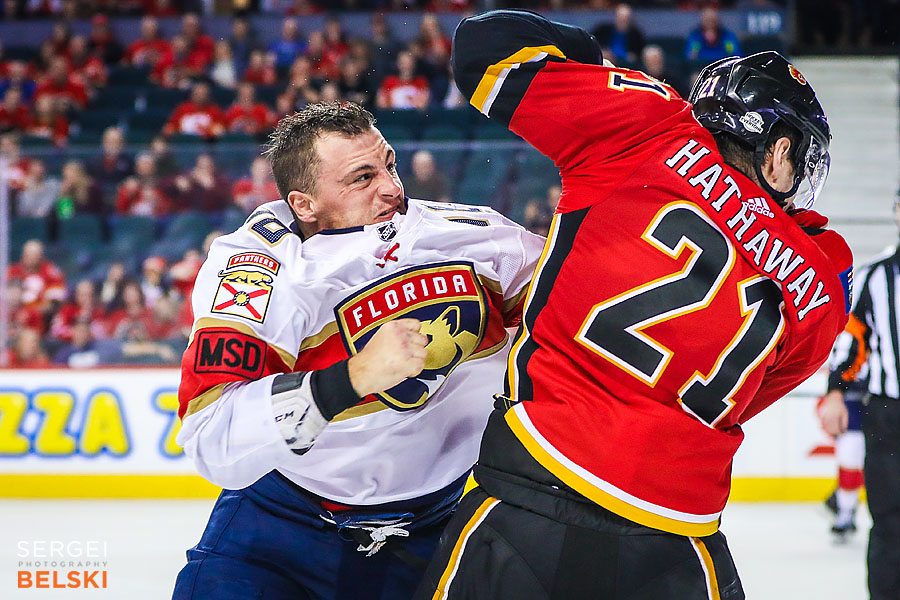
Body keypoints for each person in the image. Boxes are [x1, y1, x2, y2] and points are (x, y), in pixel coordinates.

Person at [416, 11, 851, 600]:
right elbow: (750, 394)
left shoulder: (652, 127)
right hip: (675, 538)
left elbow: (481, 49)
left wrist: (594, 64)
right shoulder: (823, 277)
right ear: (777, 151)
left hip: (530, 492)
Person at [171, 101, 544, 600]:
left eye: (389, 164)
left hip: (445, 527)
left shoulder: (476, 237)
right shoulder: (257, 270)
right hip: (281, 530)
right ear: (304, 204)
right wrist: (351, 379)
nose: (391, 187)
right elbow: (211, 434)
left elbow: (584, 311)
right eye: (361, 178)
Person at [819, 197, 900, 600]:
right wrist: (836, 390)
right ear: (897, 211)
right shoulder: (875, 277)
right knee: (888, 519)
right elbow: (851, 343)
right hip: (888, 413)